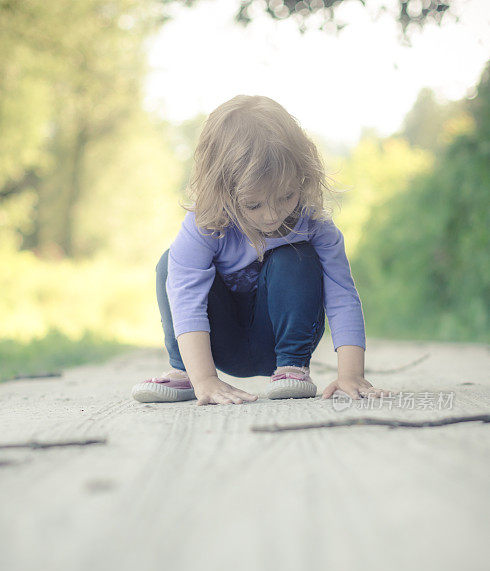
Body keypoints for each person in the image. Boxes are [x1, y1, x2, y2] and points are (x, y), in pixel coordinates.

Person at [131, 95, 388, 406]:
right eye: (253, 204)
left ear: (302, 176)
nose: (272, 215)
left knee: (296, 255)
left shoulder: (315, 225)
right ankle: (186, 373)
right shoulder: (205, 225)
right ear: (223, 189)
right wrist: (206, 380)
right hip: (214, 345)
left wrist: (351, 373)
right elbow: (186, 298)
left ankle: (292, 368)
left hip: (278, 343)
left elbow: (342, 295)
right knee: (169, 265)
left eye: (286, 196)